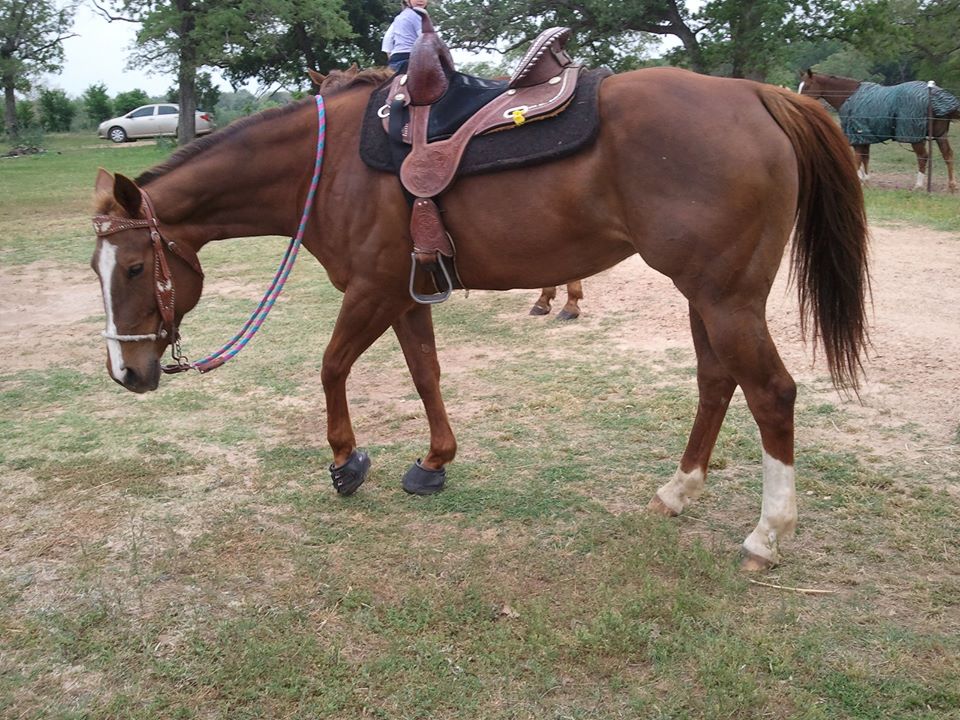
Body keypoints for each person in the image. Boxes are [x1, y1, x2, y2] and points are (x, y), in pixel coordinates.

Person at [381, 0, 428, 73]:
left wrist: (392, 58)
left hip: (394, 61)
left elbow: (387, 41)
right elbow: (426, 40)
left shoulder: (399, 17)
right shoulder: (417, 15)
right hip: (412, 59)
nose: (420, 0)